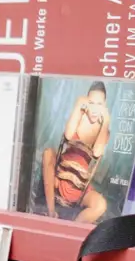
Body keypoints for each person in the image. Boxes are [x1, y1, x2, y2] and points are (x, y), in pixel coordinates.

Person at [38, 81, 112, 223]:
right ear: (86, 101)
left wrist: (106, 121)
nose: (95, 109)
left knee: (100, 205)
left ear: (105, 106)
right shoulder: (80, 115)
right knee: (48, 153)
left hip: (81, 188)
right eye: (91, 102)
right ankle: (51, 212)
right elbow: (68, 135)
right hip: (60, 179)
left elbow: (96, 153)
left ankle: (73, 228)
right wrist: (78, 106)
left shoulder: (105, 130)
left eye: (99, 104)